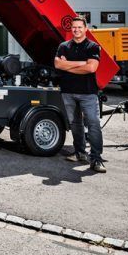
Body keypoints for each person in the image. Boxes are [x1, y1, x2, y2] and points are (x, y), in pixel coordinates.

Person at [54, 16, 105, 173]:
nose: (76, 30)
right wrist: (82, 63)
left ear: (85, 28)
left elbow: (91, 69)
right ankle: (80, 153)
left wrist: (67, 66)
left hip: (88, 93)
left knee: (93, 124)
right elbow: (57, 64)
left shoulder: (93, 47)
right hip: (68, 92)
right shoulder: (63, 46)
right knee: (75, 124)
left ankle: (96, 159)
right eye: (74, 27)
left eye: (79, 27)